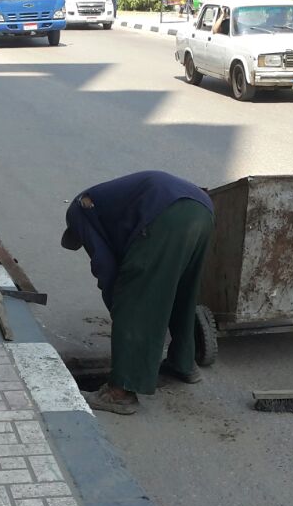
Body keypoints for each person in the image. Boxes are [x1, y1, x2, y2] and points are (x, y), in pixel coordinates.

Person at [61, 172, 214, 415]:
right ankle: (183, 363)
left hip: (165, 214)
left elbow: (105, 267)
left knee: (132, 299)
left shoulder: (80, 212)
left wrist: (122, 309)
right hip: (201, 210)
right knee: (182, 293)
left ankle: (120, 393)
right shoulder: (108, 202)